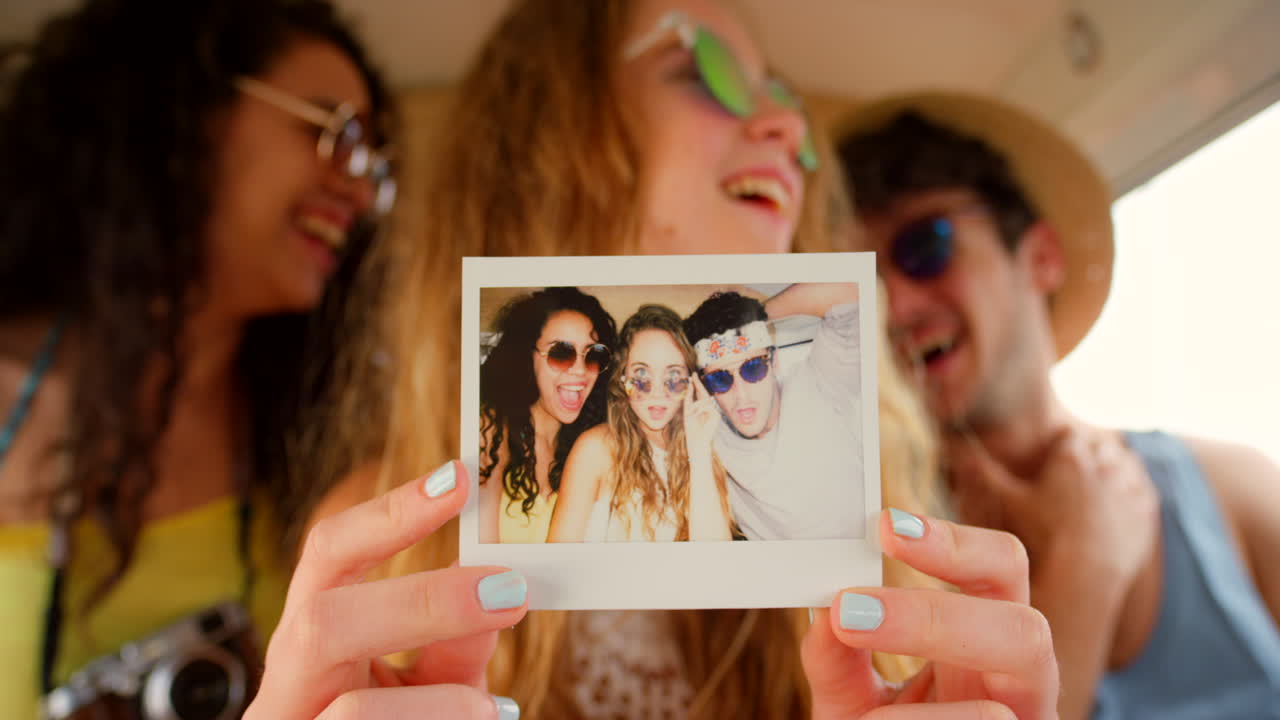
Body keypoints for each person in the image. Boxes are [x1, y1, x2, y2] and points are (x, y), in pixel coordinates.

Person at [246, 2, 1061, 719]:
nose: (789, 128)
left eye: (784, 102)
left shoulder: (849, 488)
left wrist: (737, 331)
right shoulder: (394, 533)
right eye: (707, 72)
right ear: (555, 133)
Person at [0, 0, 394, 717]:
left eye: (370, 158)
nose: (360, 190)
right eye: (330, 131)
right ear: (175, 119)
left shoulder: (318, 436)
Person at [836, 91, 1280, 719]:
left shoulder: (1236, 489)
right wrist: (1086, 571)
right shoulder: (881, 556)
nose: (896, 308)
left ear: (1042, 258)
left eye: (925, 247)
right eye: (869, 282)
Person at [683, 283, 864, 540]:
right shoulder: (709, 431)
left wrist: (752, 317)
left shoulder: (821, 381)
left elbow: (852, 288)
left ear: (775, 361)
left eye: (753, 368)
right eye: (720, 379)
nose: (741, 396)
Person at [548, 304, 732, 543]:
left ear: (691, 381)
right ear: (622, 378)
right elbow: (558, 557)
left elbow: (716, 559)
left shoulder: (704, 448)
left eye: (673, 376)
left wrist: (699, 450)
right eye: (642, 375)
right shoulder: (595, 449)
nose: (657, 392)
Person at [478, 287, 618, 543]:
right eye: (561, 353)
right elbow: (479, 559)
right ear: (525, 357)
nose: (579, 370)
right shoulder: (490, 431)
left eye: (593, 355)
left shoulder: (590, 447)